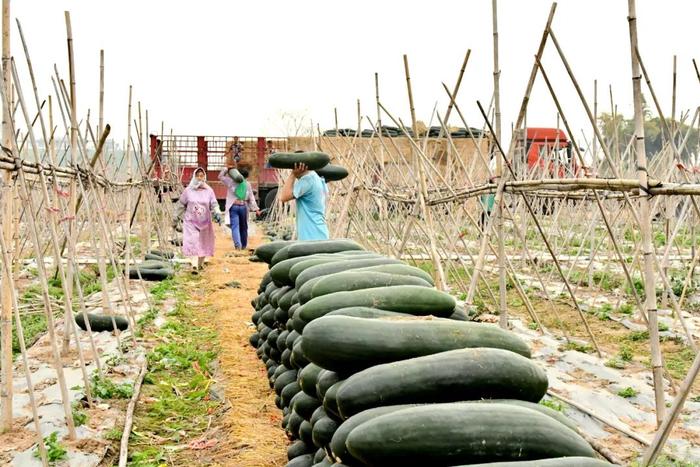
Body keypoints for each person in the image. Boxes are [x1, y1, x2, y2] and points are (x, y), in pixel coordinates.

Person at [175, 167, 222, 271]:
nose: (200, 178)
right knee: (193, 241)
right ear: (194, 176)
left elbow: (214, 204)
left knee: (204, 242)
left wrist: (217, 213)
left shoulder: (209, 190)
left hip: (205, 221)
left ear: (204, 177)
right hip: (191, 220)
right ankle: (194, 265)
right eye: (198, 176)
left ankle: (200, 264)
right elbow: (181, 205)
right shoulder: (188, 191)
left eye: (202, 176)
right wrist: (176, 218)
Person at [279, 161, 329, 240]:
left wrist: (293, 175)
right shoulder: (319, 179)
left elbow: (283, 197)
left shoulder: (307, 180)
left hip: (311, 236)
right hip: (320, 233)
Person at [218, 163, 260, 250]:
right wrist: (256, 209)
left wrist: (226, 169)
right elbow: (251, 197)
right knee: (244, 227)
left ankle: (238, 246)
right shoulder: (247, 184)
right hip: (243, 207)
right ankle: (243, 246)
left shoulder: (230, 182)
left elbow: (220, 177)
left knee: (235, 227)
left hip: (233, 207)